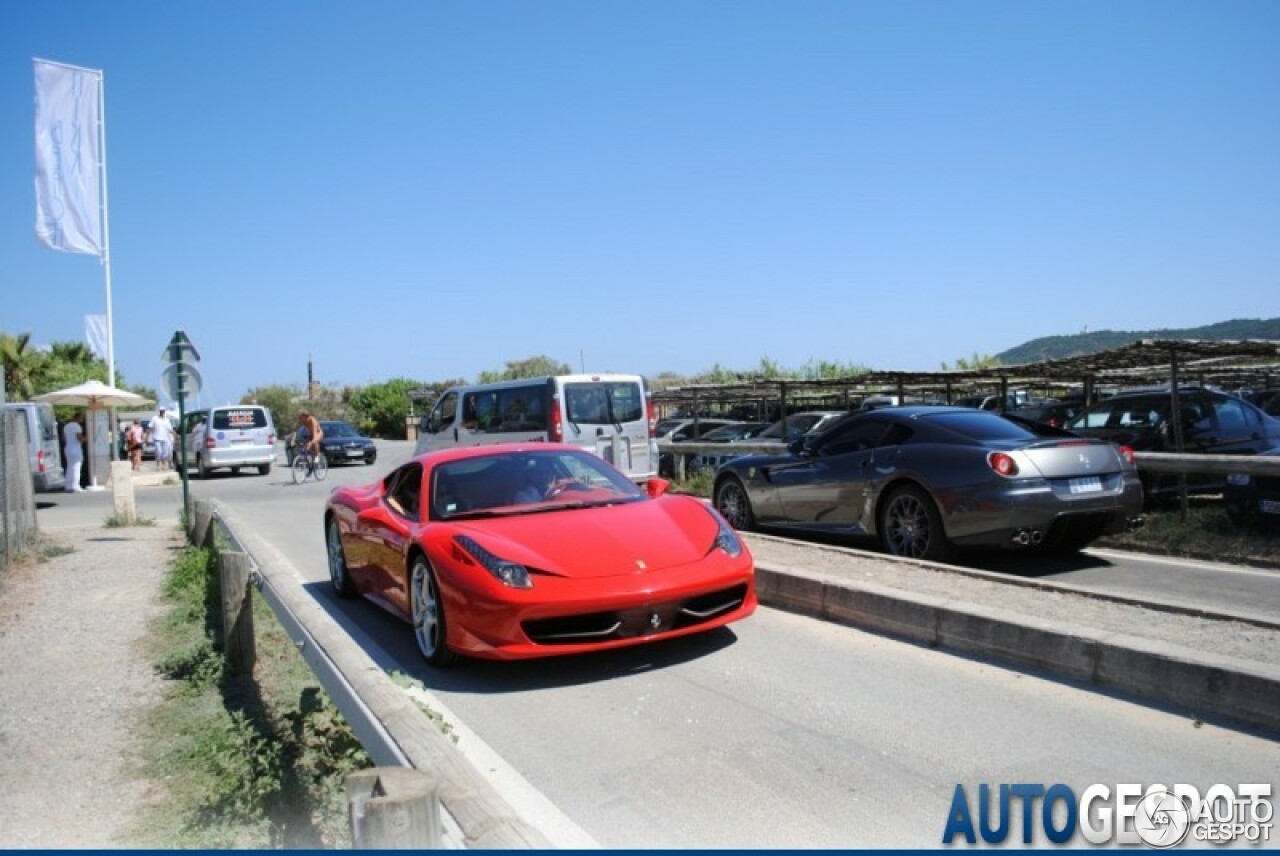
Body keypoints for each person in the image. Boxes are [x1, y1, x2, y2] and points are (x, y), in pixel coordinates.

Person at [62, 413, 85, 492]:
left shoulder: (66, 426)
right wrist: (86, 438)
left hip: (68, 448)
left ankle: (68, 485)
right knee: (77, 467)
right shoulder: (77, 426)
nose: (82, 420)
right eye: (81, 418)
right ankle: (76, 485)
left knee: (69, 466)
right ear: (78, 418)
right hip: (76, 448)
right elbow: (79, 438)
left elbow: (64, 439)